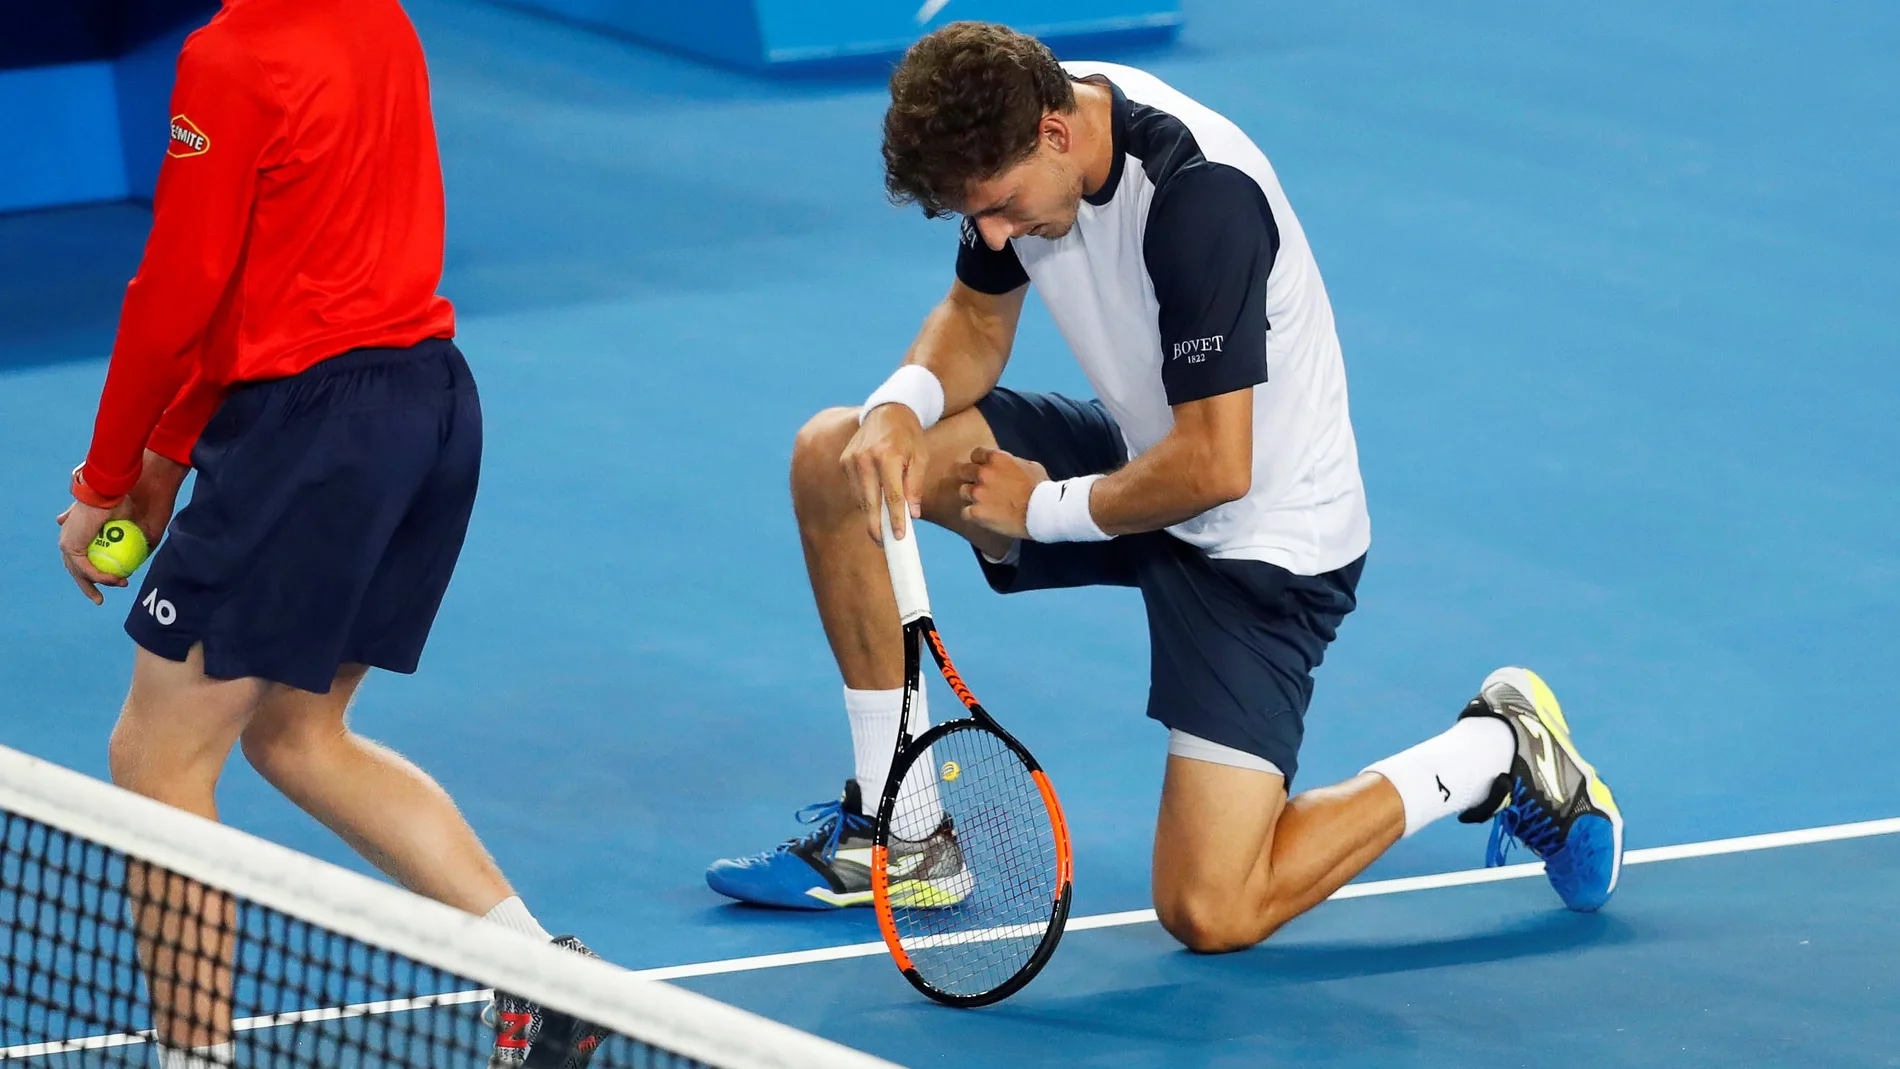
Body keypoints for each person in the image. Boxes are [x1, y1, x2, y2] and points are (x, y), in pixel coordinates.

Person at [705, 22, 1624, 947]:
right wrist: (902, 403)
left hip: (1264, 544)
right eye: (972, 218)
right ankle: (901, 833)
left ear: (1056, 136)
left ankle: (1495, 748)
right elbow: (976, 322)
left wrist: (1039, 508)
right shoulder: (1026, 132)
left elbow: (1216, 468)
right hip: (1143, 452)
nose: (992, 233)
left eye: (1000, 206)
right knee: (840, 453)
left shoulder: (1200, 197)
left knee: (1212, 909)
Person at [54, 1, 598, 1064]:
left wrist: (105, 475)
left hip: (313, 436)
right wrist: (167, 458)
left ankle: (192, 1056)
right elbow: (272, 262)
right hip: (428, 407)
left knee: (156, 759)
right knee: (295, 734)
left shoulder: (230, 55)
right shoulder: (380, 17)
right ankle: (545, 975)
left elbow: (178, 288)